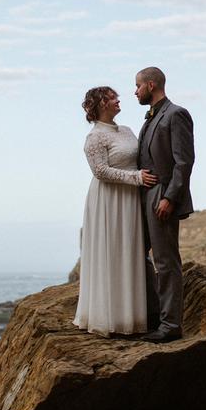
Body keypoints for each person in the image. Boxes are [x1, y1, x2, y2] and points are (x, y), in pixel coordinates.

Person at [76, 86, 157, 335]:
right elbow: (100, 172)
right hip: (109, 199)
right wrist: (136, 178)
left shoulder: (128, 130)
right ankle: (109, 317)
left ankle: (132, 316)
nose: (118, 100)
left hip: (131, 198)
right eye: (112, 98)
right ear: (101, 104)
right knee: (111, 252)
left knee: (131, 252)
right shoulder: (95, 137)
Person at [134, 66, 195, 343]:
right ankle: (153, 316)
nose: (135, 91)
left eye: (137, 86)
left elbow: (184, 161)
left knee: (166, 261)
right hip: (143, 196)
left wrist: (170, 197)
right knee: (136, 256)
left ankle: (170, 326)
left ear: (150, 84)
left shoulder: (176, 114)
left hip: (163, 194)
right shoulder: (148, 119)